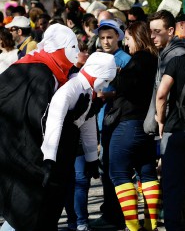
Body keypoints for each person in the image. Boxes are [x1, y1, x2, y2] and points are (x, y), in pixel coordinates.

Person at [0, 23, 81, 231]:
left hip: (9, 146)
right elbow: (43, 119)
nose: (77, 53)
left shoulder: (22, 65)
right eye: (72, 47)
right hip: (24, 152)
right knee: (26, 212)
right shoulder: (44, 74)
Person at [41, 52, 117, 230]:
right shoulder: (72, 88)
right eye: (105, 80)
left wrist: (92, 158)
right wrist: (49, 157)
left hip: (67, 150)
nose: (105, 86)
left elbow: (88, 123)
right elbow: (55, 119)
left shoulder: (87, 91)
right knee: (42, 204)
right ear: (98, 74)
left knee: (57, 199)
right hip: (52, 151)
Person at [106, 21, 159, 231]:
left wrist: (117, 75)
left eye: (127, 38)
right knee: (147, 173)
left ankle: (133, 227)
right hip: (146, 125)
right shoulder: (155, 59)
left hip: (128, 123)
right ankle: (150, 224)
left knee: (119, 172)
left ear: (137, 37)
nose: (126, 44)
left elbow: (127, 86)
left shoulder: (139, 60)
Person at [91, 19, 131, 230]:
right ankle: (111, 212)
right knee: (106, 169)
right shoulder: (98, 58)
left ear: (118, 38)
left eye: (110, 37)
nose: (106, 41)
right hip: (101, 121)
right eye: (103, 37)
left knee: (115, 171)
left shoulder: (124, 60)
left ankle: (117, 215)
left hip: (117, 120)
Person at [155, 36, 185, 231]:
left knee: (173, 185)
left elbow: (162, 93)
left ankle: (173, 227)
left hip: (176, 130)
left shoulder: (177, 61)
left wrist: (161, 121)